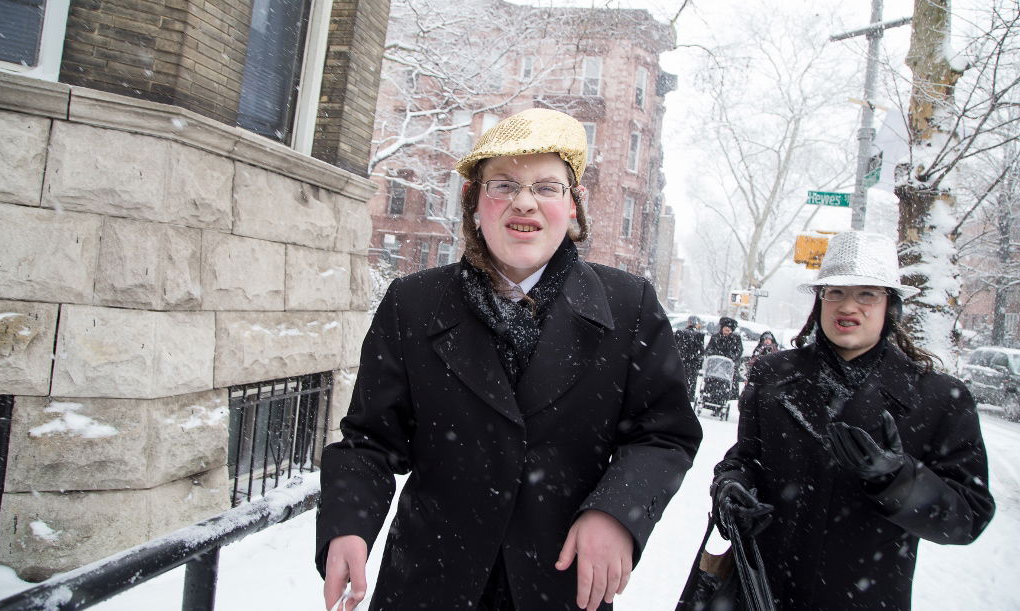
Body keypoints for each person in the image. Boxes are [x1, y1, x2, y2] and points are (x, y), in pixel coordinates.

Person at [316, 107, 703, 611]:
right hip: (431, 583)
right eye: (503, 185)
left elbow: (664, 433)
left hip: (560, 585)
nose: (524, 202)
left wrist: (616, 513)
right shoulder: (412, 304)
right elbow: (369, 440)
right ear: (475, 202)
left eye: (546, 187)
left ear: (573, 206)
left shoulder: (629, 307)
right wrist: (348, 524)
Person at [711, 230, 995, 610]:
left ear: (890, 307)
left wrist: (899, 480)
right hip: (763, 592)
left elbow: (967, 516)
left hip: (866, 598)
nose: (849, 307)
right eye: (836, 292)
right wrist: (730, 487)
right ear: (820, 301)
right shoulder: (771, 376)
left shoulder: (940, 398)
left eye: (867, 294)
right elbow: (744, 459)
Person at [675, 315, 706, 400]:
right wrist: (698, 364)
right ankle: (687, 399)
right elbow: (701, 351)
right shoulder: (699, 335)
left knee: (679, 382)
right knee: (690, 384)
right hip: (692, 363)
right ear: (697, 324)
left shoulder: (679, 332)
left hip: (680, 362)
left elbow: (674, 346)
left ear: (688, 322)